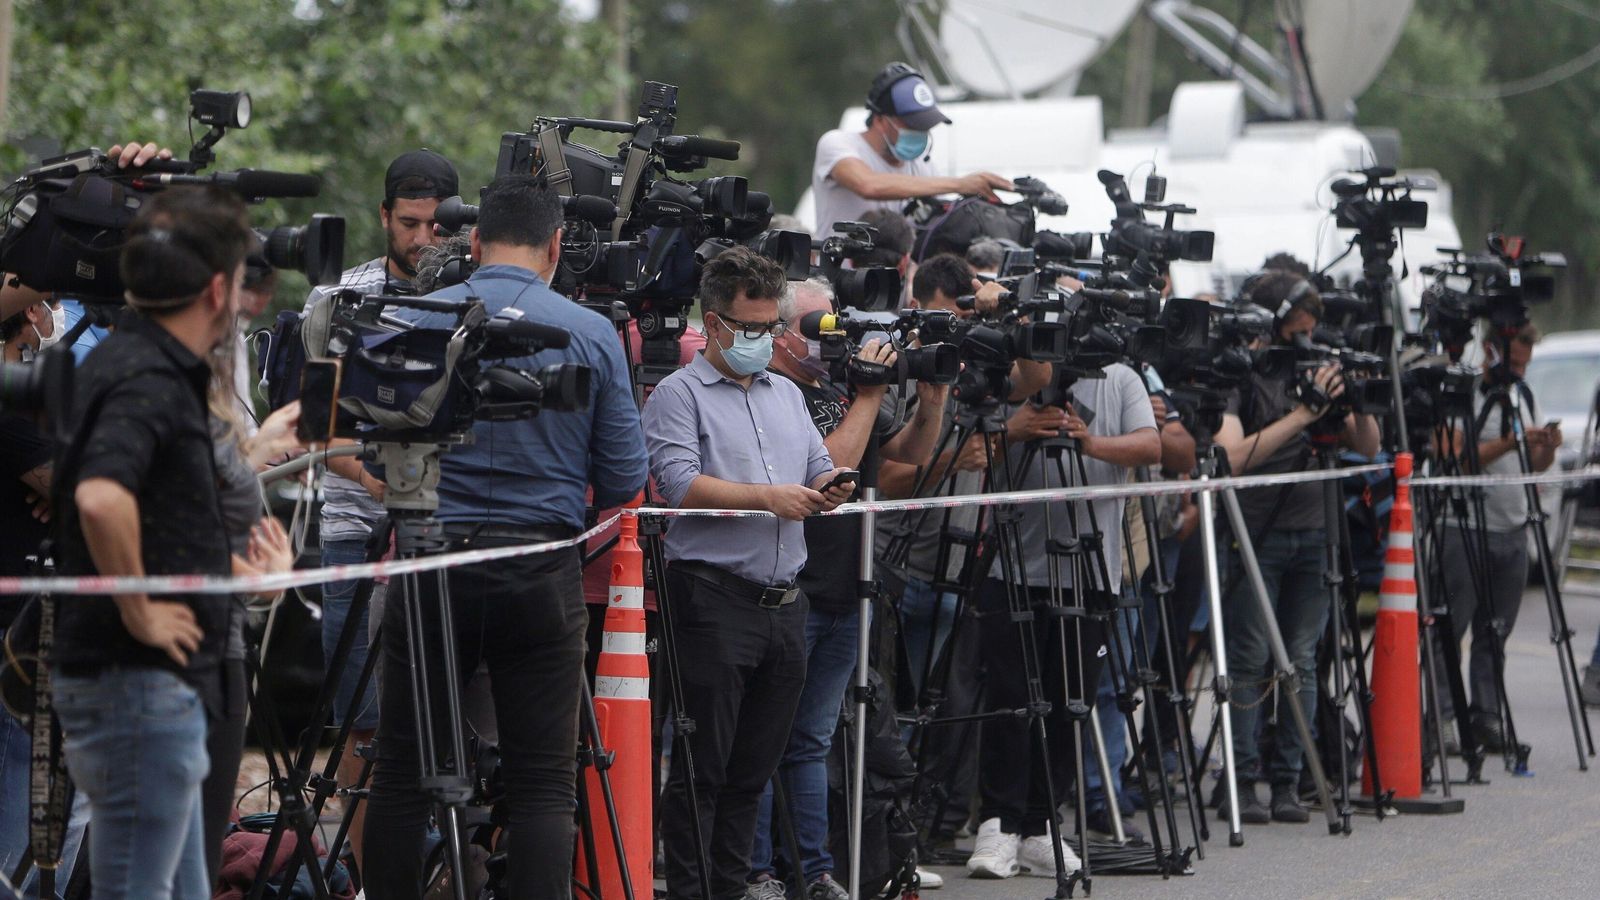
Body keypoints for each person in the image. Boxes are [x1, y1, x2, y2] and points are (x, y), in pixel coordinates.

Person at [364, 174, 647, 899]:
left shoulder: (417, 317)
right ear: (557, 246)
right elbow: (623, 477)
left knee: (400, 769)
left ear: (475, 241)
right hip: (540, 566)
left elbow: (374, 441)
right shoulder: (590, 334)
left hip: (432, 560)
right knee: (544, 782)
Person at [48, 186, 275, 899]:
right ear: (216, 289)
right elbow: (100, 496)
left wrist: (241, 571)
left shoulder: (142, 366)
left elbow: (153, 519)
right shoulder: (144, 376)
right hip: (136, 684)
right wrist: (141, 606)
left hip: (156, 688)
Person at [642, 247, 855, 899]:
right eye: (748, 328)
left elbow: (816, 463)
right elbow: (677, 484)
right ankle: (693, 889)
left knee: (752, 773)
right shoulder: (678, 395)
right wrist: (770, 498)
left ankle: (732, 887)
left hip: (785, 603)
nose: (760, 341)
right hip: (711, 598)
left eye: (770, 329)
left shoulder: (787, 393)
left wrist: (828, 484)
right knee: (703, 769)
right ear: (712, 323)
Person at [746, 278, 946, 898]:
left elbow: (902, 458)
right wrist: (868, 394)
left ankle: (815, 872)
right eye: (821, 325)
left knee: (810, 741)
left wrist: (932, 397)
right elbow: (824, 471)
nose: (835, 335)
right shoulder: (774, 395)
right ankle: (756, 873)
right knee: (760, 740)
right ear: (781, 334)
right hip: (793, 589)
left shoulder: (838, 389)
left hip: (846, 590)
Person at [301, 148, 459, 866]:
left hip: (455, 535)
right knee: (361, 724)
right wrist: (376, 479)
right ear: (384, 218)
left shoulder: (475, 294)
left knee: (448, 721)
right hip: (354, 533)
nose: (423, 240)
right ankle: (367, 877)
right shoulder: (339, 298)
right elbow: (307, 428)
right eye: (409, 224)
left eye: (437, 226)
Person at [964, 359, 1160, 879]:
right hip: (1013, 567)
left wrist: (1088, 441)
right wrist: (1014, 427)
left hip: (1091, 573)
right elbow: (967, 452)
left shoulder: (1120, 378)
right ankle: (998, 824)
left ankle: (1040, 825)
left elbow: (1151, 445)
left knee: (1067, 703)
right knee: (1009, 700)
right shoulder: (1015, 372)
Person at [1212, 272, 1379, 825]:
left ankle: (1289, 780)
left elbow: (1367, 445)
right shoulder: (1243, 373)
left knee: (1303, 661)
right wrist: (1301, 415)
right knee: (1250, 659)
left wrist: (1351, 398)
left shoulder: (1321, 369)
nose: (1305, 346)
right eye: (1296, 334)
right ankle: (1241, 780)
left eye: (1312, 333)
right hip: (1256, 531)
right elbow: (1231, 458)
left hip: (1315, 530)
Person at [1434, 323, 1559, 750]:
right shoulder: (1462, 392)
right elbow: (1454, 457)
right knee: (1450, 631)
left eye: (1528, 357)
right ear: (1492, 348)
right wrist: (1511, 442)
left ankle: (1486, 716)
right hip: (1462, 525)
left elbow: (1534, 465)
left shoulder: (1523, 395)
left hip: (1512, 527)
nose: (1522, 366)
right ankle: (1442, 718)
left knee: (1496, 632)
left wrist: (1546, 446)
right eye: (1517, 355)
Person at [811, 62, 1011, 238]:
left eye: (926, 126)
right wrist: (959, 184)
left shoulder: (923, 166)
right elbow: (868, 185)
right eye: (913, 125)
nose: (921, 132)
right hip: (837, 279)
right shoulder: (837, 144)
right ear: (880, 120)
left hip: (899, 279)